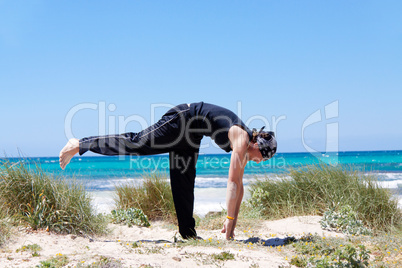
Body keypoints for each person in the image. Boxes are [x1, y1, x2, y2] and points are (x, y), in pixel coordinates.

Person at [59, 102, 277, 240]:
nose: (259, 162)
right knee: (138, 143)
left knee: (184, 180)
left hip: (191, 136)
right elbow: (233, 183)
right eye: (263, 158)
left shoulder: (245, 146)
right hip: (182, 119)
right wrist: (230, 218)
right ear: (258, 146)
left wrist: (232, 222)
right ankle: (80, 143)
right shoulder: (241, 140)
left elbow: (239, 188)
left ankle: (188, 234)